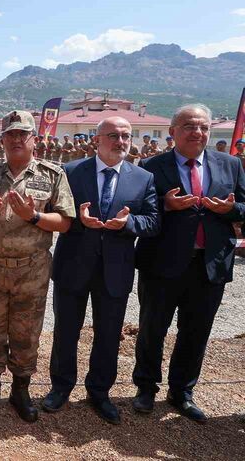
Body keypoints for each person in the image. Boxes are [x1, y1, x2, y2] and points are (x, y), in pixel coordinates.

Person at [132, 104, 245, 423]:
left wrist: (229, 211)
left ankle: (181, 391)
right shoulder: (151, 165)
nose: (197, 132)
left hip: (210, 263)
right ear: (172, 132)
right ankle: (145, 388)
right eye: (189, 126)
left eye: (203, 127)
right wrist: (165, 205)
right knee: (153, 328)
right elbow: (140, 209)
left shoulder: (231, 164)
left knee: (196, 331)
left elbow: (244, 205)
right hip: (162, 262)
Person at [45, 117, 160, 424]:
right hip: (73, 265)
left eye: (126, 136)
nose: (121, 141)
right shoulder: (70, 172)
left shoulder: (143, 178)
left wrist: (128, 224)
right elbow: (54, 213)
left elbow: (152, 221)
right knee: (66, 331)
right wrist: (76, 218)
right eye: (113, 135)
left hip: (115, 270)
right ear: (98, 140)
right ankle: (60, 387)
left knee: (109, 335)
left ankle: (99, 392)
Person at [0, 110, 74, 423]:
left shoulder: (52, 174)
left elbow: (66, 222)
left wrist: (34, 217)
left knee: (26, 332)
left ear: (34, 139)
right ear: (1, 140)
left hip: (32, 269)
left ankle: (21, 388)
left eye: (22, 134)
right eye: (10, 134)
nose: (16, 139)